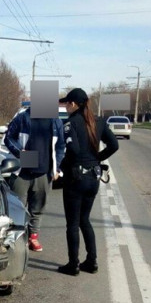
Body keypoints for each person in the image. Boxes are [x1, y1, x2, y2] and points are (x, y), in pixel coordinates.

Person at [57, 88, 119, 276]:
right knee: (85, 220)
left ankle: (73, 265)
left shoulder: (70, 124)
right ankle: (91, 261)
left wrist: (61, 167)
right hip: (94, 177)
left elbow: (73, 151)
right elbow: (114, 145)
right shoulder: (98, 121)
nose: (66, 106)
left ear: (73, 104)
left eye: (67, 103)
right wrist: (96, 159)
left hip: (76, 179)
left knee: (72, 223)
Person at [4, 102, 66, 252]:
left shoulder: (55, 121)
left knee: (37, 208)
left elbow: (60, 146)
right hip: (23, 170)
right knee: (17, 207)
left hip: (44, 172)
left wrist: (56, 167)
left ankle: (33, 237)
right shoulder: (23, 118)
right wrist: (20, 152)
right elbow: (8, 138)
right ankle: (17, 238)